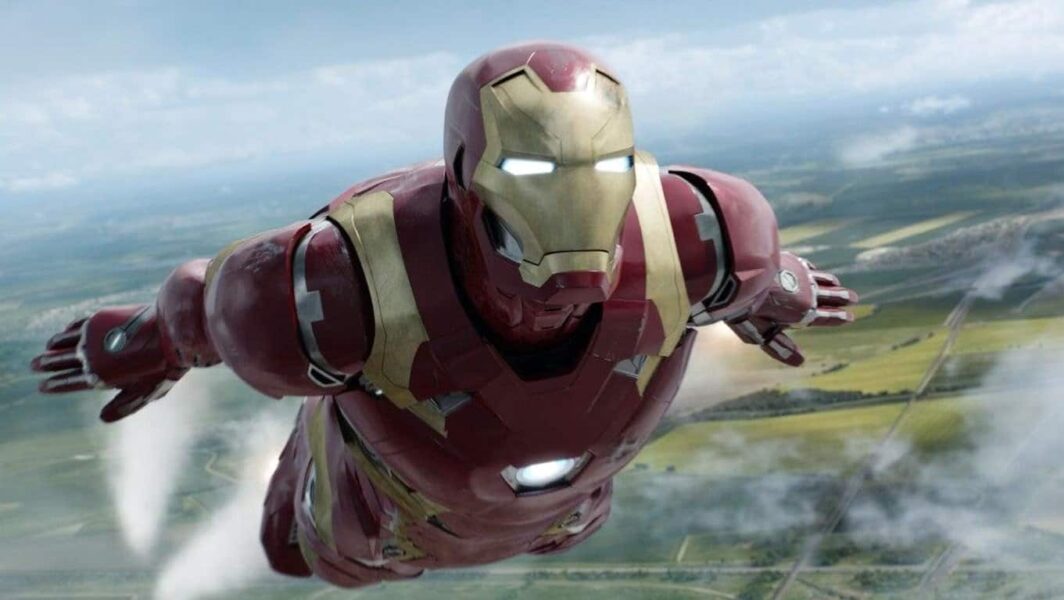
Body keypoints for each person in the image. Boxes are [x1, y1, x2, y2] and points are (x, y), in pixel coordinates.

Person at [31, 41, 856, 586]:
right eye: (532, 179)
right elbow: (214, 307)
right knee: (304, 549)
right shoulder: (341, 283)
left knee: (364, 543)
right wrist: (148, 340)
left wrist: (772, 292)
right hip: (379, 514)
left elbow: (753, 276)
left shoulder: (700, 238)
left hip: (556, 506)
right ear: (470, 178)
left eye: (600, 177)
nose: (570, 253)